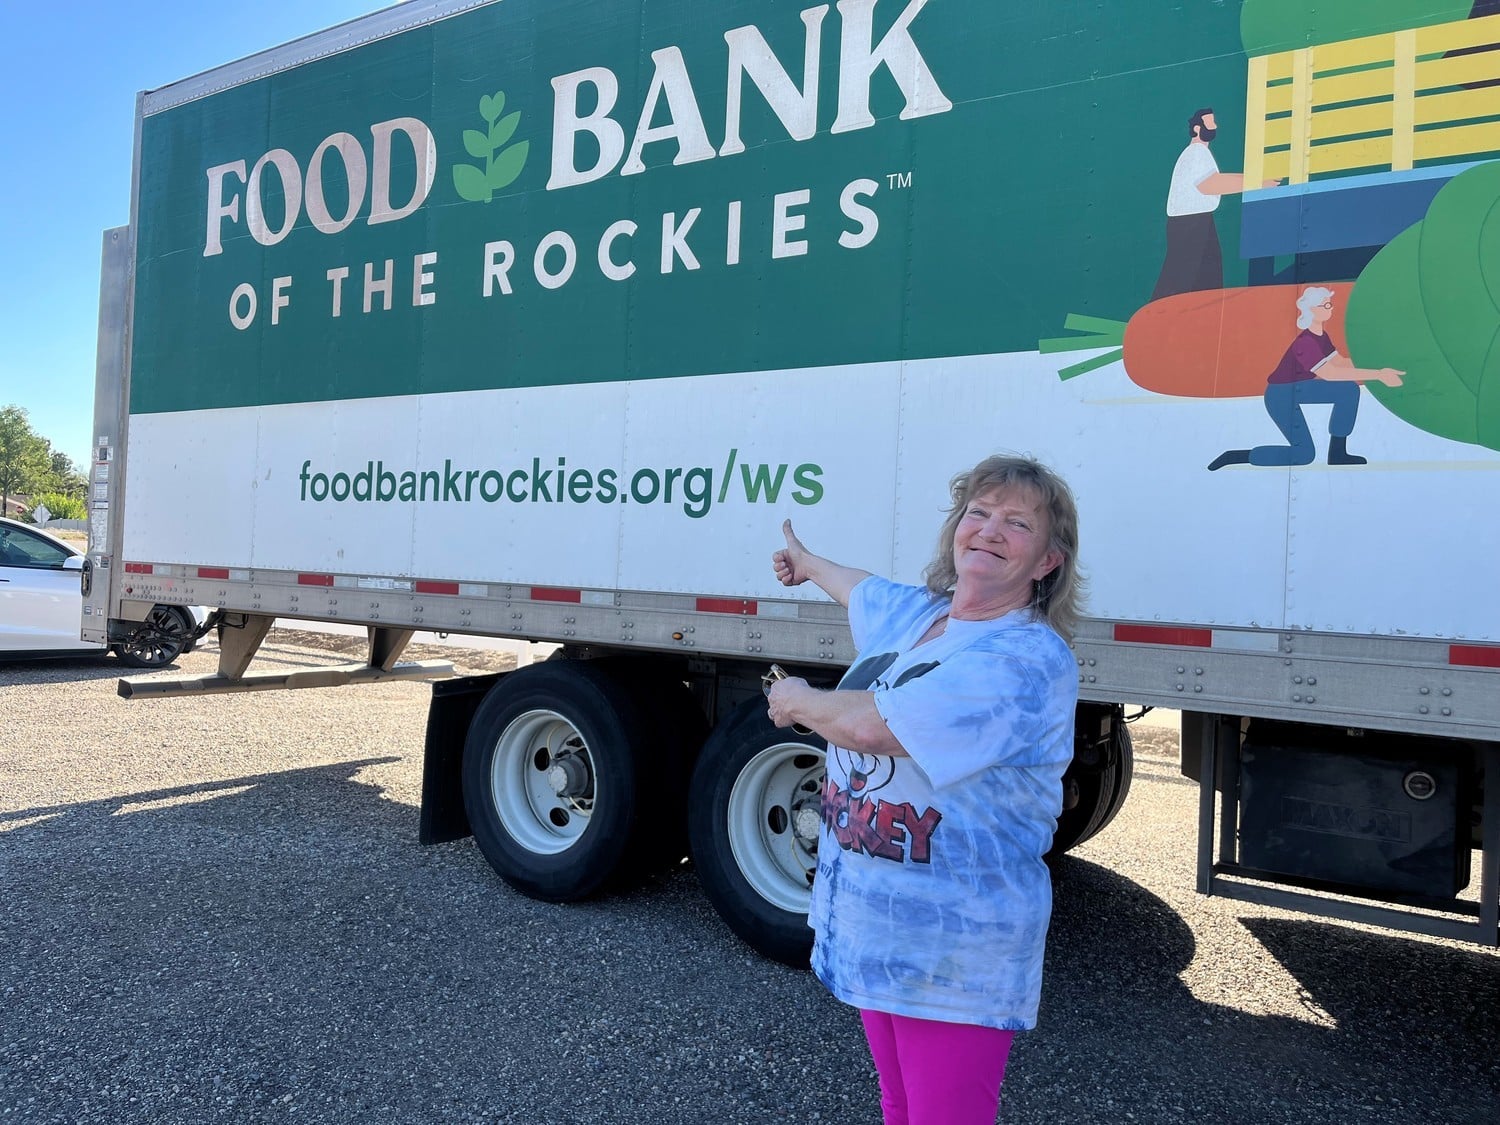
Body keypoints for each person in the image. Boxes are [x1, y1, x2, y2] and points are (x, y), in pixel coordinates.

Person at [765, 455, 1082, 1125]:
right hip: (878, 926)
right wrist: (808, 561)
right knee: (899, 1105)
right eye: (979, 513)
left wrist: (795, 699)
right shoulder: (921, 617)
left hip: (952, 951)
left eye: (1016, 523)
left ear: (1047, 561)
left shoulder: (1027, 657)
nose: (990, 530)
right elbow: (864, 590)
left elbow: (874, 728)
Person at [1208, 286, 1404, 470]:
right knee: (1303, 455)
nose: (1330, 308)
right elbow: (1330, 373)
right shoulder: (1305, 343)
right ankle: (1237, 456)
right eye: (1325, 305)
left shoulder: (1321, 336)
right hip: (1280, 395)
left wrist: (1379, 368)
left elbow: (1341, 363)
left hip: (1301, 387)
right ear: (1311, 309)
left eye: (1330, 304)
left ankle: (1337, 452)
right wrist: (1378, 375)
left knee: (1348, 390)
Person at [1151, 107, 1280, 300]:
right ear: (1197, 128)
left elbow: (1214, 179)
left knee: (1205, 280)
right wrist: (1258, 183)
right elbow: (1210, 184)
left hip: (1200, 222)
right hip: (1189, 224)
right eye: (1210, 122)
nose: (1215, 126)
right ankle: (1156, 320)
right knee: (1180, 280)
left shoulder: (1200, 153)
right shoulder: (1196, 153)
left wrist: (1259, 180)